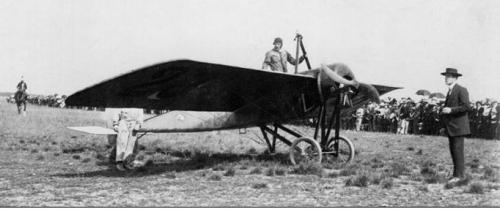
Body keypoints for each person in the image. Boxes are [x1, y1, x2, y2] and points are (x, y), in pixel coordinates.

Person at [439, 68, 471, 183]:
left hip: (458, 127)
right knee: (454, 151)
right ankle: (456, 174)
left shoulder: (461, 90)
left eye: (449, 76)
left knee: (457, 151)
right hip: (452, 127)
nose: (446, 78)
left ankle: (460, 176)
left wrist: (451, 110)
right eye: (446, 76)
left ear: (455, 78)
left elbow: (467, 107)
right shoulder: (450, 91)